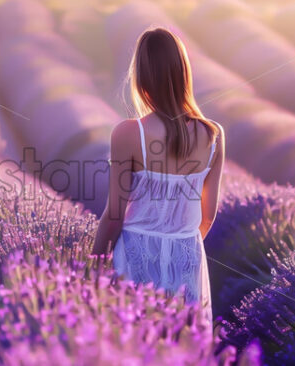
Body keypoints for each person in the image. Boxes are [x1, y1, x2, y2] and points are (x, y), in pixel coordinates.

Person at [91, 27, 224, 324]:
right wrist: (177, 243)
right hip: (187, 257)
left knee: (134, 344)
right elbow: (208, 215)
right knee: (182, 346)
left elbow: (114, 214)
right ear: (183, 73)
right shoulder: (213, 135)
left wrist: (92, 266)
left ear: (141, 77)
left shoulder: (129, 133)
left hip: (135, 257)